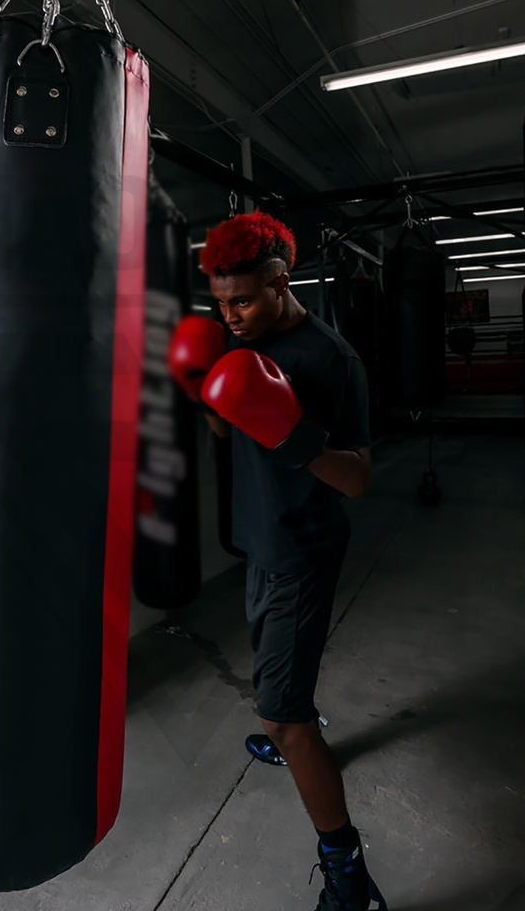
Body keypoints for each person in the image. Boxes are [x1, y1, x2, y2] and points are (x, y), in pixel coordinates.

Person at [168, 211, 385, 911]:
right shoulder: (239, 343)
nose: (229, 316)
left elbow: (358, 478)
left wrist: (294, 434)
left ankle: (348, 874)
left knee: (283, 721)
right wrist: (203, 388)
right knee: (277, 684)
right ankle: (290, 716)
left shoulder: (331, 359)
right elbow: (227, 425)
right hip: (261, 540)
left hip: (300, 550)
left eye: (243, 300)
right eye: (220, 303)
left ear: (281, 282)